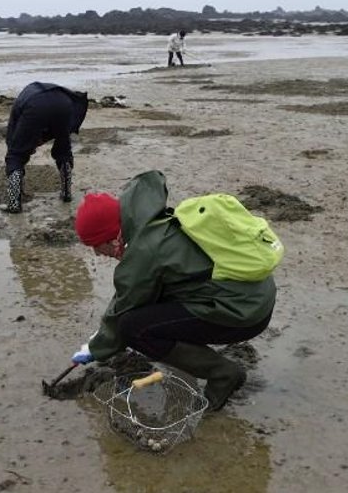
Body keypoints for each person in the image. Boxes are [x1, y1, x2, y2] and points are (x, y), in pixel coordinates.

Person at [70, 170, 277, 411]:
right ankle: (190, 359)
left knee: (134, 328)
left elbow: (126, 308)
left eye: (96, 246)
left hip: (243, 313)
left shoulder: (145, 250)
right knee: (150, 308)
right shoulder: (151, 222)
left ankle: (223, 373)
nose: (97, 253)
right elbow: (132, 294)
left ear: (111, 237)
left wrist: (95, 348)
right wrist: (100, 337)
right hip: (254, 298)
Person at [0, 82, 89, 213]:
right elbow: (48, 131)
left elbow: (14, 144)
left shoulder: (17, 114)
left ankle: (14, 203)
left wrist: (22, 149)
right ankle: (67, 193)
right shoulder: (29, 99)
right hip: (64, 103)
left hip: (35, 104)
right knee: (63, 150)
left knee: (15, 155)